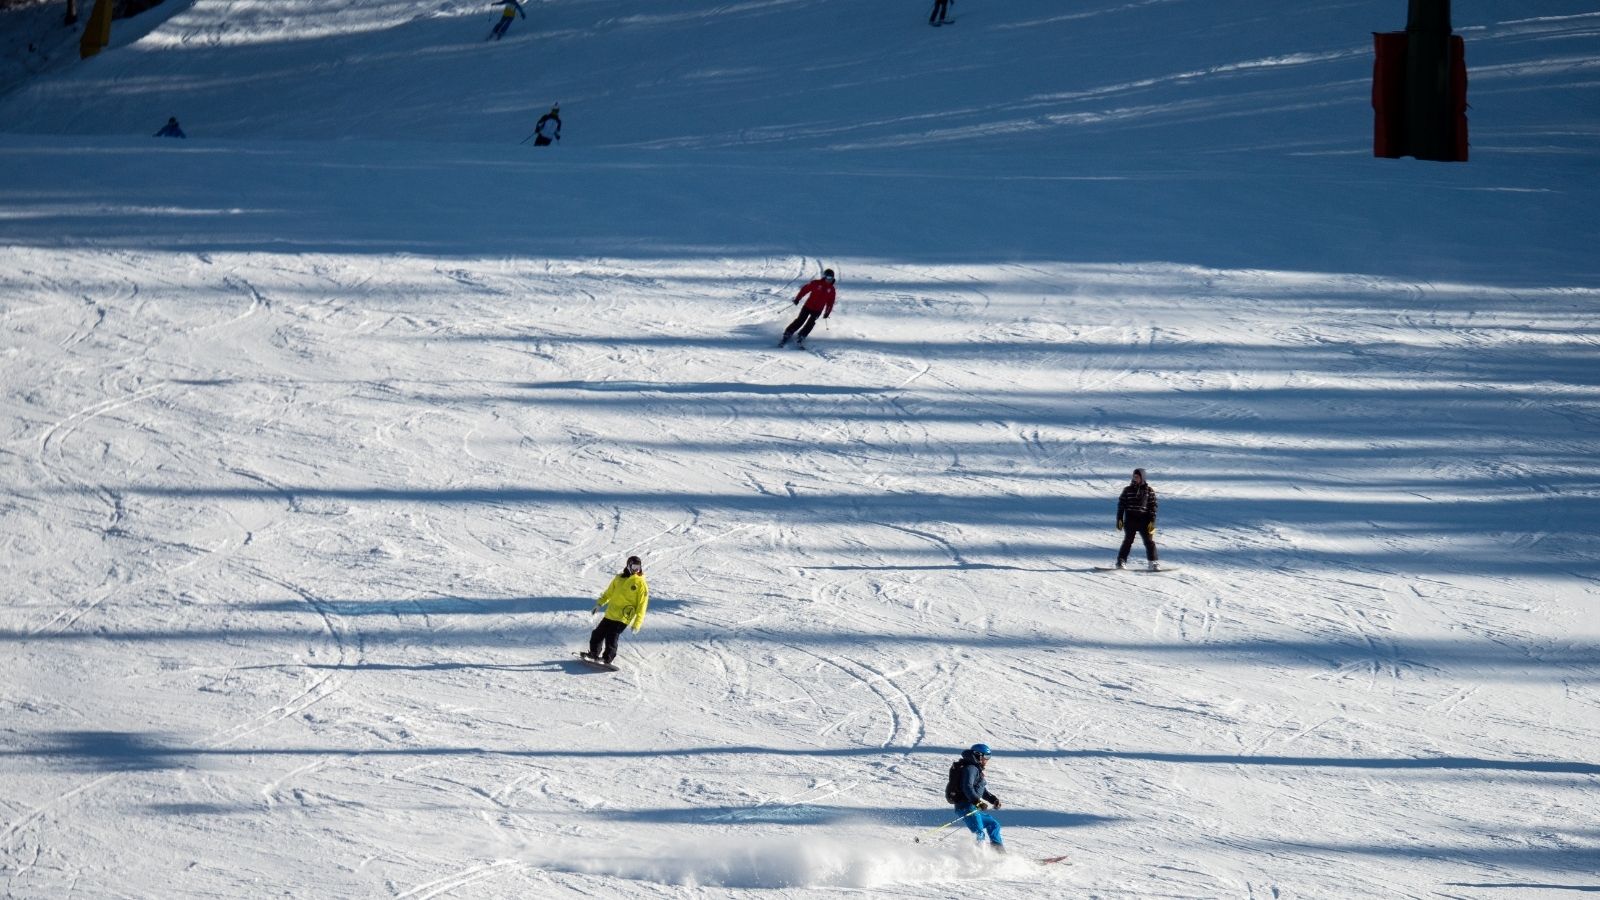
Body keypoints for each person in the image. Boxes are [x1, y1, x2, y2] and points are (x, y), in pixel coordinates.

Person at [584, 555, 648, 666]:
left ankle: (607, 659)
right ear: (628, 566)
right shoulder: (619, 578)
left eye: (638, 567)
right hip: (611, 613)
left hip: (624, 616)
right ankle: (593, 653)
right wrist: (599, 604)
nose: (636, 569)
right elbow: (608, 593)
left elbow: (642, 606)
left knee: (611, 636)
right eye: (634, 566)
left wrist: (637, 623)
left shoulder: (641, 583)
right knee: (597, 634)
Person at [945, 743, 1003, 850]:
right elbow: (967, 787)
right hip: (966, 806)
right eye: (986, 757)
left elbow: (981, 790)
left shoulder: (975, 769)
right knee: (979, 833)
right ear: (978, 755)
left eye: (988, 757)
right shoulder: (971, 768)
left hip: (972, 806)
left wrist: (993, 799)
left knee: (993, 825)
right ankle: (980, 857)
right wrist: (978, 802)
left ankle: (999, 853)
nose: (987, 760)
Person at [779, 268, 836, 349]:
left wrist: (827, 312)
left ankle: (801, 336)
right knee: (800, 320)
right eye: (828, 278)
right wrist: (798, 298)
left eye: (831, 278)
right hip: (808, 306)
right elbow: (805, 289)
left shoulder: (832, 290)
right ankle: (788, 333)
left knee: (811, 323)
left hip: (818, 310)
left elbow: (830, 302)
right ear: (824, 277)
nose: (829, 280)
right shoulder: (816, 283)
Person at [1116, 467, 1160, 570]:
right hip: (1130, 519)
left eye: (1137, 476)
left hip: (1144, 520)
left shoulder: (1149, 491)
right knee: (1128, 541)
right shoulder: (1127, 490)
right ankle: (1121, 562)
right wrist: (1119, 519)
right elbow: (1121, 505)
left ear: (1142, 477)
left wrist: (1152, 521)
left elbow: (1153, 506)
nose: (1135, 478)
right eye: (1134, 476)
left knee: (1149, 542)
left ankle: (1153, 562)